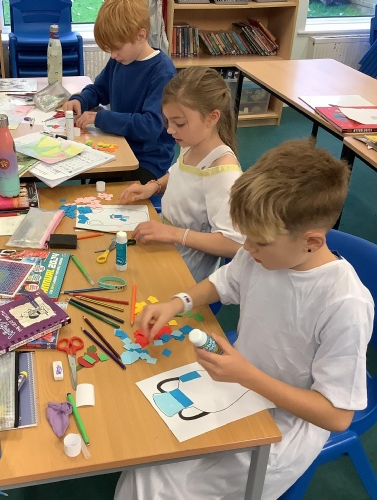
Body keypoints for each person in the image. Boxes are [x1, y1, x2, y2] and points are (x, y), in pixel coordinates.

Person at [114, 139, 374, 500]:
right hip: (237, 382)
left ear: (312, 242)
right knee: (149, 452)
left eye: (259, 243)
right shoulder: (262, 253)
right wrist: (177, 302)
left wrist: (247, 375)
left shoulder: (344, 304)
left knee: (162, 487)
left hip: (286, 422)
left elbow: (336, 416)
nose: (247, 248)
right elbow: (224, 283)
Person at [118, 67, 245, 282]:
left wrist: (174, 234)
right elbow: (181, 174)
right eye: (168, 121)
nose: (170, 130)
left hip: (186, 272)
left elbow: (234, 243)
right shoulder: (192, 145)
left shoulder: (223, 172)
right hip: (167, 246)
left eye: (179, 123)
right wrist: (154, 186)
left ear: (212, 117)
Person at [62, 0, 176, 184]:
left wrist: (100, 118)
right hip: (119, 144)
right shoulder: (120, 60)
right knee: (92, 184)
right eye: (110, 49)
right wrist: (81, 100)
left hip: (147, 160)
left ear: (140, 36)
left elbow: (150, 125)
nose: (113, 55)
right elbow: (99, 89)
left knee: (112, 194)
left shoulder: (162, 72)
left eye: (117, 48)